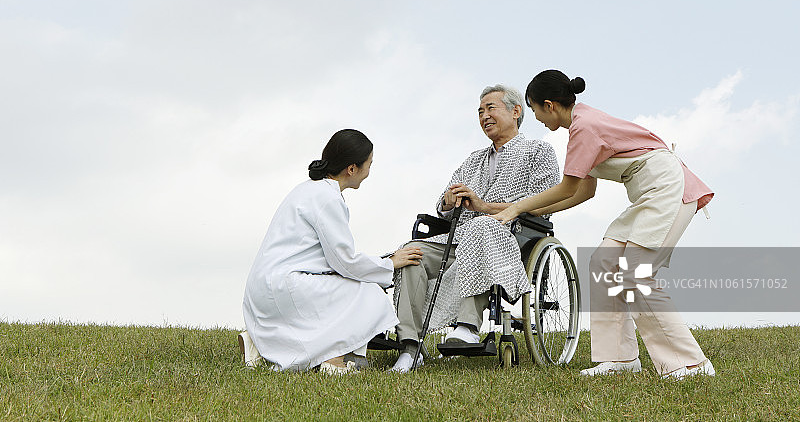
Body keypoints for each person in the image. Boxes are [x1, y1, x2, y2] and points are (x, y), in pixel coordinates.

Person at [491, 70, 715, 379]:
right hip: (648, 193)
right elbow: (583, 191)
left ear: (549, 105)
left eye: (535, 110)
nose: (537, 118)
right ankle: (620, 359)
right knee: (604, 262)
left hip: (666, 187)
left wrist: (517, 207)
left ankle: (691, 365)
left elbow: (567, 188)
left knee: (636, 275)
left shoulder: (584, 127)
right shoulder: (582, 126)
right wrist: (528, 213)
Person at [391, 85, 561, 372]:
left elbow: (545, 200)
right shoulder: (472, 160)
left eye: (491, 108)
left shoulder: (538, 150)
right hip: (457, 237)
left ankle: (467, 326)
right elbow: (442, 205)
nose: (484, 116)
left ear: (515, 111)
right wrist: (447, 201)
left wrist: (484, 207)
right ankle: (410, 345)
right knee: (412, 252)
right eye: (480, 111)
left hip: (512, 236)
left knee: (482, 226)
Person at [240, 129, 422, 374]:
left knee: (344, 289)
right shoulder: (328, 198)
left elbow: (331, 259)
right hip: (286, 285)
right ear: (352, 169)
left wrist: (380, 262)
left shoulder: (308, 189)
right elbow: (344, 262)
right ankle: (334, 361)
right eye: (369, 164)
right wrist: (390, 263)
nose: (369, 171)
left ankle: (257, 343)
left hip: (262, 289)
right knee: (370, 294)